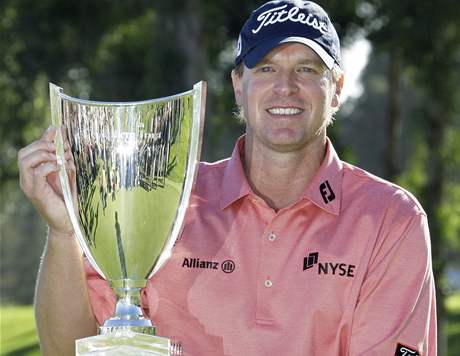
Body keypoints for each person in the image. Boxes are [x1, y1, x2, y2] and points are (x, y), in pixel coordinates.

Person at [19, 1, 437, 355]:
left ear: (337, 87)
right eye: (267, 69)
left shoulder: (390, 219)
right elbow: (67, 348)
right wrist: (63, 232)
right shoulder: (169, 199)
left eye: (308, 69)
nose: (286, 87)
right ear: (239, 85)